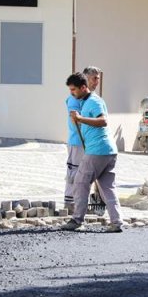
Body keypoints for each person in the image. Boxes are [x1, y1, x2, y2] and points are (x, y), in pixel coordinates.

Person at [61, 72, 124, 233]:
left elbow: (103, 121)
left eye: (74, 90)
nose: (72, 93)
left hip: (98, 151)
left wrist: (80, 118)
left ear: (83, 87)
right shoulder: (88, 101)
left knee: (80, 183)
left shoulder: (94, 102)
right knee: (107, 187)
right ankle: (116, 222)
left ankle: (77, 220)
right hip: (108, 150)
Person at [63, 65, 101, 211]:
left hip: (90, 142)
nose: (97, 82)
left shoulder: (92, 98)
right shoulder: (74, 98)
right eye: (94, 78)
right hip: (78, 141)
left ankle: (82, 201)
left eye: (98, 78)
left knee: (87, 172)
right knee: (74, 171)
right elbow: (76, 122)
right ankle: (70, 203)